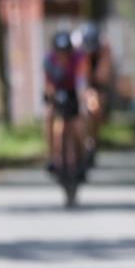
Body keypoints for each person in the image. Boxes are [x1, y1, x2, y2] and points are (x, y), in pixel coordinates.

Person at [43, 30, 89, 178]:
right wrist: (50, 96)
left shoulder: (78, 59)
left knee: (78, 124)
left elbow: (81, 81)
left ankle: (82, 158)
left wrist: (83, 98)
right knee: (49, 117)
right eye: (60, 52)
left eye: (66, 52)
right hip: (57, 92)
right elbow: (48, 84)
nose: (63, 56)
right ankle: (52, 157)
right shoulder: (49, 61)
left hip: (74, 92)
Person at [78, 22, 115, 163]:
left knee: (96, 107)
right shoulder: (76, 46)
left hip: (96, 79)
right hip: (80, 76)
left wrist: (95, 94)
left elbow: (102, 76)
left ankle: (92, 140)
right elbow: (79, 76)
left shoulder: (105, 47)